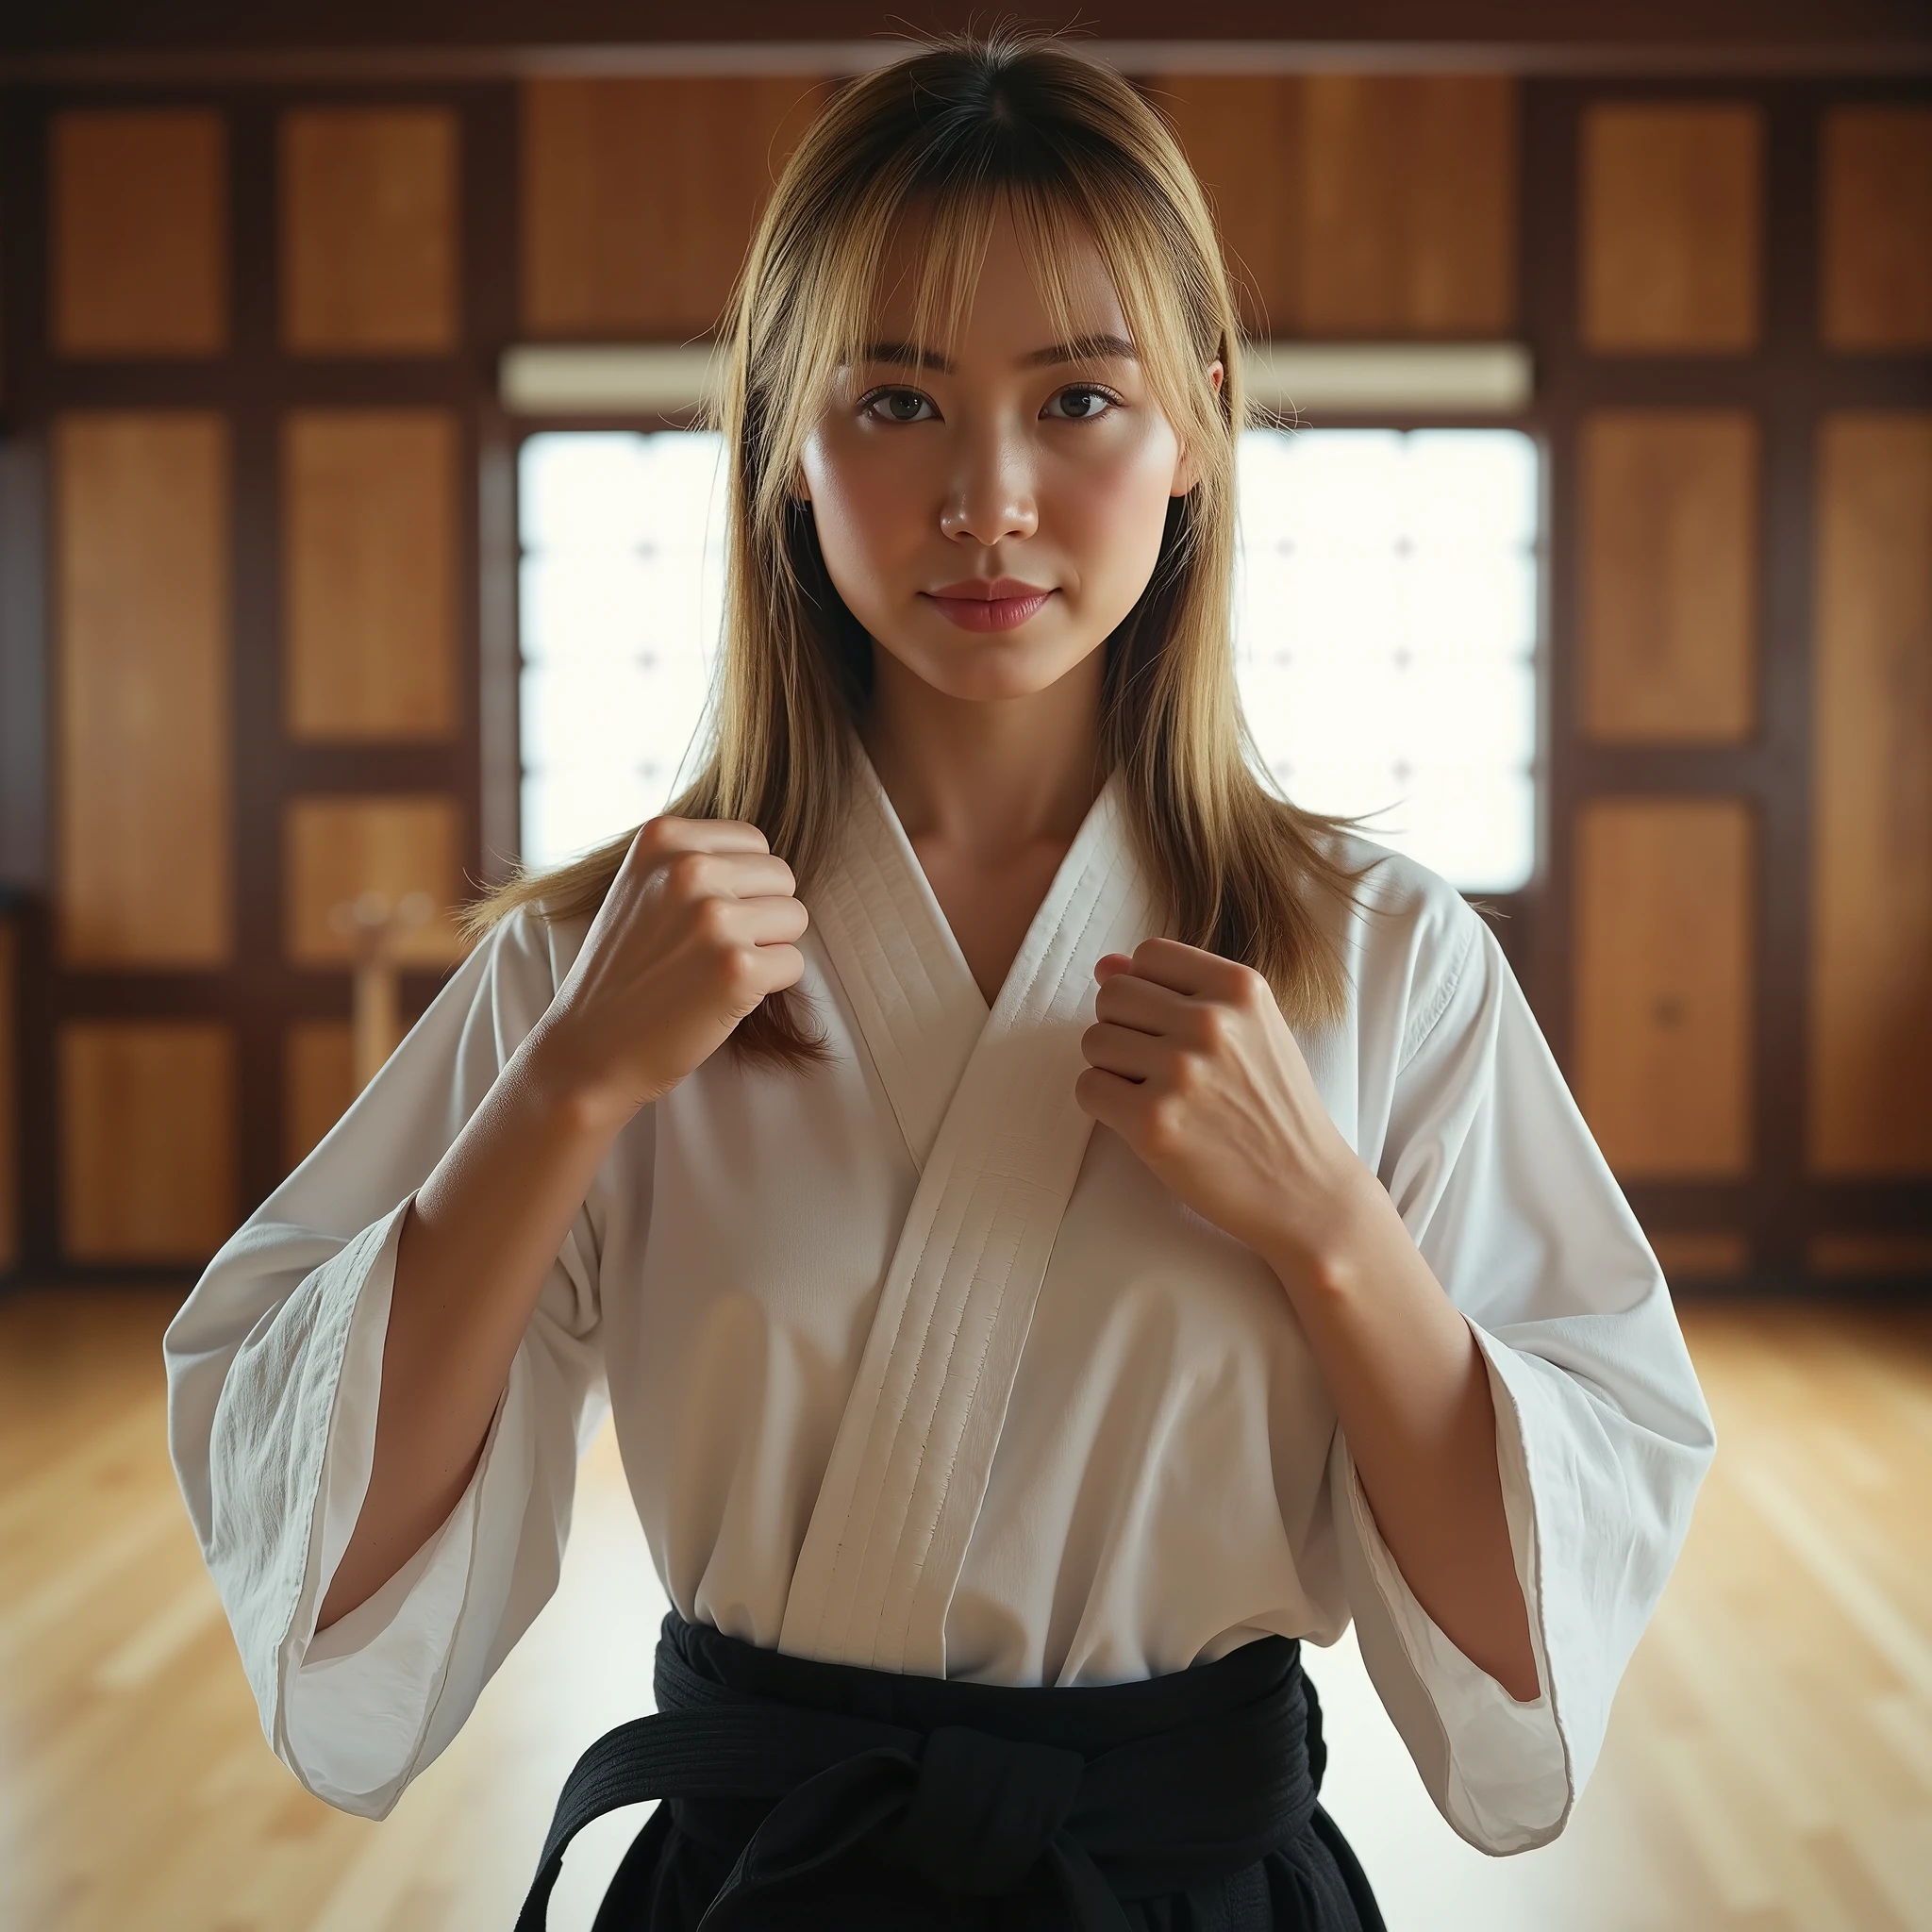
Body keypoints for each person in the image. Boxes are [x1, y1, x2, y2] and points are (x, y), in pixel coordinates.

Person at [165, 34, 1714, 1931]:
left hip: (1182, 1884)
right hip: (764, 1877)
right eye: (896, 401)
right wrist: (565, 1089)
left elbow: (1526, 1647)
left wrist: (1328, 1225)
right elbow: (329, 1569)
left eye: (1079, 398)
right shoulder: (611, 966)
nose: (988, 497)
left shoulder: (1380, 957)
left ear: (1200, 428)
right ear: (782, 440)